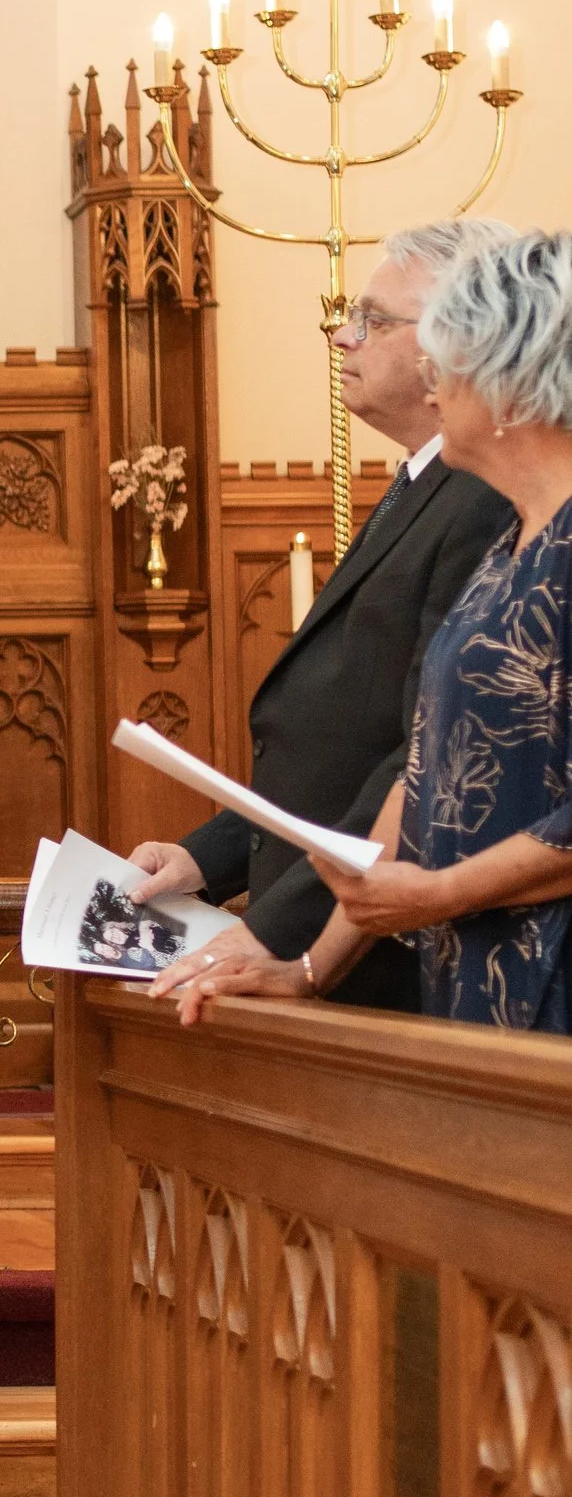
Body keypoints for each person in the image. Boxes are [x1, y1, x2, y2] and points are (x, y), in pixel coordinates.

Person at [164, 227, 572, 1034]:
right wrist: (310, 966)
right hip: (468, 970)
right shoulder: (506, 545)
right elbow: (424, 764)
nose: (435, 380)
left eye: (451, 359)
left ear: (511, 385)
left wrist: (442, 891)